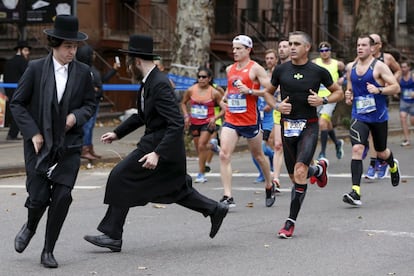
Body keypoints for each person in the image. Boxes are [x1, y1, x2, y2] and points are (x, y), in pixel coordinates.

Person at [83, 34, 228, 252]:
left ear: (137, 61)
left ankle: (113, 234)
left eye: (130, 60)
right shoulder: (149, 81)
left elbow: (177, 122)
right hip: (158, 143)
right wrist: (117, 132)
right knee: (175, 190)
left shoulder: (158, 84)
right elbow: (143, 115)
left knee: (120, 176)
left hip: (160, 146)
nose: (129, 65)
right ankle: (215, 209)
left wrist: (157, 153)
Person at [10, 15, 95, 268]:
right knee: (37, 197)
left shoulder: (83, 72)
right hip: (39, 144)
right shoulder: (35, 69)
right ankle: (31, 226)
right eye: (68, 46)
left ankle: (48, 250)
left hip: (68, 146)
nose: (73, 51)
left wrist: (75, 116)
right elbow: (17, 103)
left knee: (62, 197)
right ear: (55, 45)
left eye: (75, 46)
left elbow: (90, 105)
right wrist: (33, 133)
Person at [263, 31, 343, 238]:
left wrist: (323, 101)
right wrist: (278, 106)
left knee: (299, 172)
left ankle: (290, 222)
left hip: (309, 125)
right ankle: (317, 170)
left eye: (296, 44)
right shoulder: (281, 70)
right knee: (295, 176)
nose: (292, 47)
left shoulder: (317, 71)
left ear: (307, 47)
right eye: (290, 43)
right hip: (287, 127)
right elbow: (267, 94)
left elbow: (338, 93)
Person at [342, 34, 401, 207]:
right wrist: (348, 96)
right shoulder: (350, 67)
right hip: (359, 115)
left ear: (372, 48)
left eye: (364, 45)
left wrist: (379, 90)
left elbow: (395, 87)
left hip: (378, 116)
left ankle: (392, 164)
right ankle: (356, 191)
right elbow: (350, 89)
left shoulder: (379, 67)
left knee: (381, 151)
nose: (360, 48)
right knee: (357, 149)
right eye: (358, 45)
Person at [219, 34, 275, 208]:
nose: (234, 51)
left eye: (238, 48)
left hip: (250, 119)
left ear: (248, 50)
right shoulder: (230, 69)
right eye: (234, 48)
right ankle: (228, 196)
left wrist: (250, 91)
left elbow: (270, 89)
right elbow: (231, 89)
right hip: (232, 119)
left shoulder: (256, 69)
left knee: (258, 155)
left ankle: (269, 183)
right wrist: (225, 98)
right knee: (223, 154)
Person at [364, 33, 402, 179]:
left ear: (379, 45)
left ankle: (377, 162)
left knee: (374, 133)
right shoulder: (362, 60)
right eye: (370, 42)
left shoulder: (386, 59)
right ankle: (377, 160)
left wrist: (391, 81)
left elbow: (398, 70)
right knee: (369, 133)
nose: (371, 46)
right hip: (365, 100)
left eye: (374, 43)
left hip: (380, 98)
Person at [180, 67, 225, 183]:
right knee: (200, 149)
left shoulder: (214, 92)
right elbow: (183, 103)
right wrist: (186, 116)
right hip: (194, 123)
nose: (201, 79)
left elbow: (225, 108)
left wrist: (215, 118)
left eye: (204, 77)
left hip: (207, 123)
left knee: (201, 145)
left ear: (209, 79)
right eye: (199, 77)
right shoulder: (191, 90)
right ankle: (212, 147)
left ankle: (201, 174)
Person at [76, 45, 119, 162]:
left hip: (95, 102)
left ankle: (89, 148)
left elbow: (101, 80)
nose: (94, 56)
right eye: (92, 54)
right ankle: (84, 150)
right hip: (89, 103)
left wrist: (114, 70)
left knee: (90, 127)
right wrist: (93, 89)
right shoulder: (83, 70)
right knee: (87, 126)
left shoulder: (91, 69)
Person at [312, 41, 345, 160]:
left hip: (331, 98)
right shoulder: (315, 63)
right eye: (322, 51)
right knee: (326, 123)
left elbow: (347, 73)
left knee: (321, 123)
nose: (324, 53)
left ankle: (322, 153)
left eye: (326, 50)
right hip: (317, 98)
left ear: (330, 52)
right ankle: (337, 143)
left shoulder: (338, 64)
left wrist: (342, 80)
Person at [252, 48, 278, 184]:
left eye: (271, 58)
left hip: (272, 116)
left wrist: (271, 103)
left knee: (267, 144)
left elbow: (278, 92)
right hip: (258, 116)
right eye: (267, 58)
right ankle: (264, 171)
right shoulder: (261, 76)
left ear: (276, 60)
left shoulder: (279, 74)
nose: (269, 61)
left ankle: (274, 166)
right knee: (255, 149)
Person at [271, 39, 291, 191]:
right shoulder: (276, 70)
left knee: (298, 147)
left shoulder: (298, 67)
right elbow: (269, 91)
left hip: (296, 113)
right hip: (279, 111)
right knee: (278, 145)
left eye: (285, 46)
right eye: (280, 47)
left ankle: (316, 167)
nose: (282, 49)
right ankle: (276, 179)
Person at [3, 40, 30, 140]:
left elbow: (6, 78)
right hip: (21, 91)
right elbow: (27, 77)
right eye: (26, 50)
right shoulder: (23, 62)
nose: (28, 53)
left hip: (10, 91)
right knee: (21, 112)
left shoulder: (9, 62)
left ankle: (18, 133)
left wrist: (6, 92)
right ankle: (14, 133)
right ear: (20, 50)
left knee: (17, 112)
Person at [399, 60, 414, 147]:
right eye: (402, 67)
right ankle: (407, 139)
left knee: (412, 121)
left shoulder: (412, 76)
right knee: (403, 117)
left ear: (409, 67)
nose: (403, 69)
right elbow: (396, 86)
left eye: (405, 67)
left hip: (413, 102)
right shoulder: (400, 77)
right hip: (404, 101)